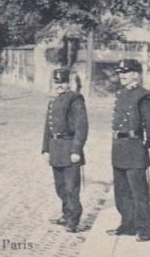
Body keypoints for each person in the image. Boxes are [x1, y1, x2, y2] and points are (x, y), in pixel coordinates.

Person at [107, 58, 150, 242]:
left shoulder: (144, 96)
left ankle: (145, 230)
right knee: (121, 191)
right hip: (119, 147)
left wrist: (145, 146)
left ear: (136, 75)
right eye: (120, 73)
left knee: (139, 193)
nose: (121, 76)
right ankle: (128, 225)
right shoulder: (121, 94)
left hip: (135, 147)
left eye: (126, 72)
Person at [42, 67, 88, 233]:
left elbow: (82, 127)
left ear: (69, 83)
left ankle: (73, 219)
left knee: (71, 187)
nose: (59, 85)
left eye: (63, 82)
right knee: (60, 186)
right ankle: (65, 213)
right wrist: (45, 149)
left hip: (69, 148)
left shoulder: (75, 100)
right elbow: (48, 127)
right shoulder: (53, 101)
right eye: (57, 82)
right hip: (55, 148)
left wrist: (76, 150)